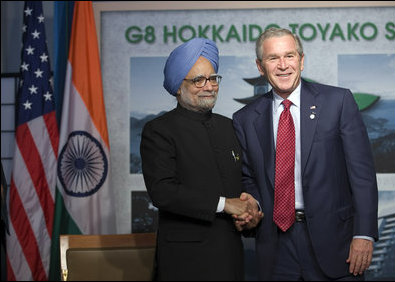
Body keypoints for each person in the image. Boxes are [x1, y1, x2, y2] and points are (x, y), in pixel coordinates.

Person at [232, 27, 378, 281]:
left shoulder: (338, 101)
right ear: (260, 66)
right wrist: (252, 204)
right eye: (273, 58)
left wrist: (363, 234)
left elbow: (362, 174)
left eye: (289, 56)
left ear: (301, 60)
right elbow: (249, 178)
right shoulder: (245, 119)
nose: (283, 65)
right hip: (276, 246)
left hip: (337, 243)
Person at [140, 37, 262, 281]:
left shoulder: (230, 127)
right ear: (177, 86)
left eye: (213, 78)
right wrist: (225, 204)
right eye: (198, 80)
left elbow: (245, 182)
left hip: (230, 257)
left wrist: (253, 210)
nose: (209, 86)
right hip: (184, 261)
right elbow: (162, 191)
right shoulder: (159, 130)